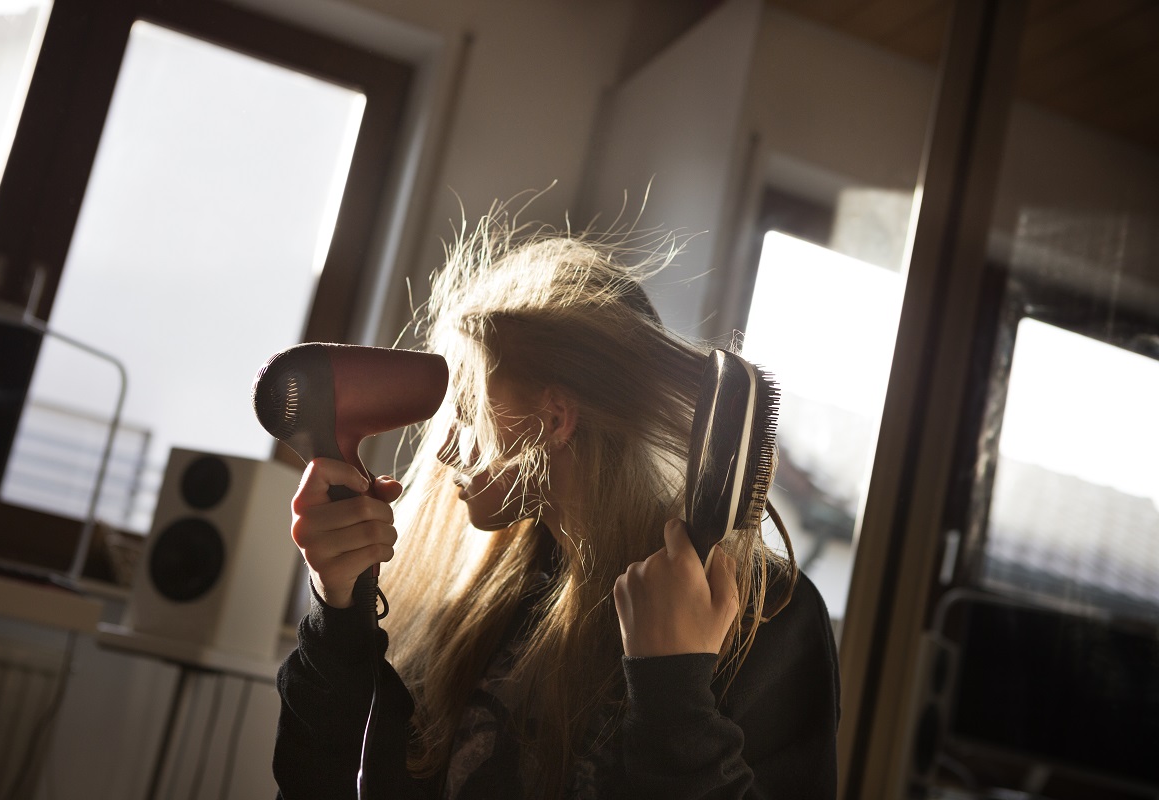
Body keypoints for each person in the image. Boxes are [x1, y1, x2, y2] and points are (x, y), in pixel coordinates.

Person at [272, 205, 840, 799]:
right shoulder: (480, 604)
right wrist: (339, 614)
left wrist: (673, 689)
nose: (443, 452)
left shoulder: (765, 617)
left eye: (464, 412)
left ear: (555, 416)